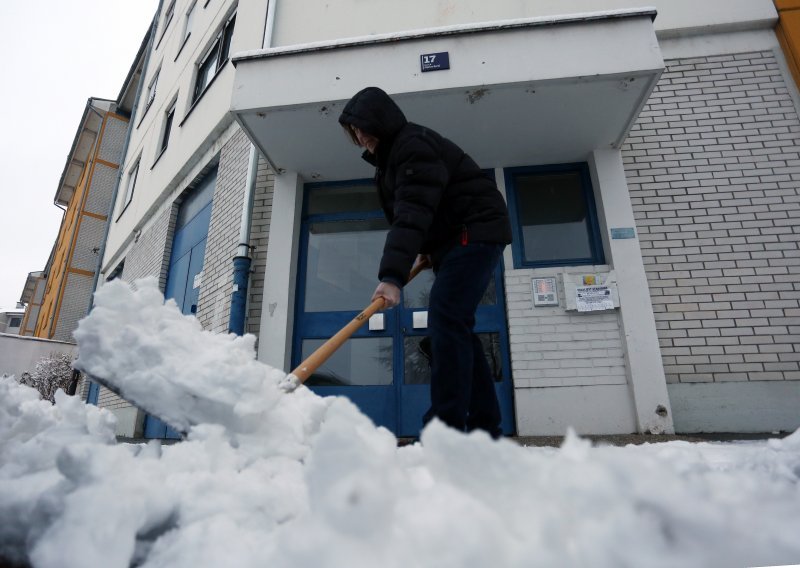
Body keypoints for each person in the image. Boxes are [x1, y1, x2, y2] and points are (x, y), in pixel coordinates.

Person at [338, 86, 512, 438]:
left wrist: (392, 275)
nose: (359, 134)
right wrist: (430, 247)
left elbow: (413, 213)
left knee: (447, 319)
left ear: (383, 120)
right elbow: (426, 209)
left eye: (364, 125)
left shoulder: (411, 146)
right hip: (458, 238)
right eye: (353, 130)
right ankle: (484, 426)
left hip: (473, 230)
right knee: (455, 326)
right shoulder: (392, 158)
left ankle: (444, 428)